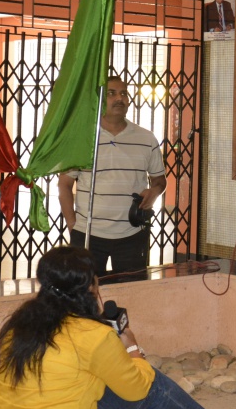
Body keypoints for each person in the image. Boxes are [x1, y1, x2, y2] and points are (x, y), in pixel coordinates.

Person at [0, 246, 236, 409]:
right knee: (148, 379)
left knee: (102, 377)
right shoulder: (94, 335)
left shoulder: (21, 326)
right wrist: (132, 348)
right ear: (90, 287)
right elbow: (138, 388)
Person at [58, 76, 165, 275]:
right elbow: (64, 185)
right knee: (86, 290)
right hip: (88, 235)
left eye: (123, 93)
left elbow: (159, 180)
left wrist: (155, 192)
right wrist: (73, 225)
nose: (119, 98)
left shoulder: (146, 138)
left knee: (132, 289)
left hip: (132, 234)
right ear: (99, 100)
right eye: (111, 93)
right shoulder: (83, 139)